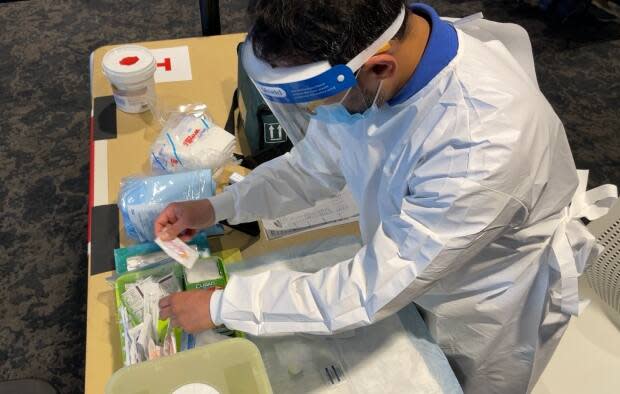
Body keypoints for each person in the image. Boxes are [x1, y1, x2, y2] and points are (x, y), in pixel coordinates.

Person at [156, 1, 617, 393]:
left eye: (316, 103)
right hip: (412, 260)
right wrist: (218, 207)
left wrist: (223, 305)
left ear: (380, 67)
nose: (320, 116)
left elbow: (371, 285)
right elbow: (313, 166)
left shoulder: (483, 144)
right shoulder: (382, 60)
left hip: (483, 305)